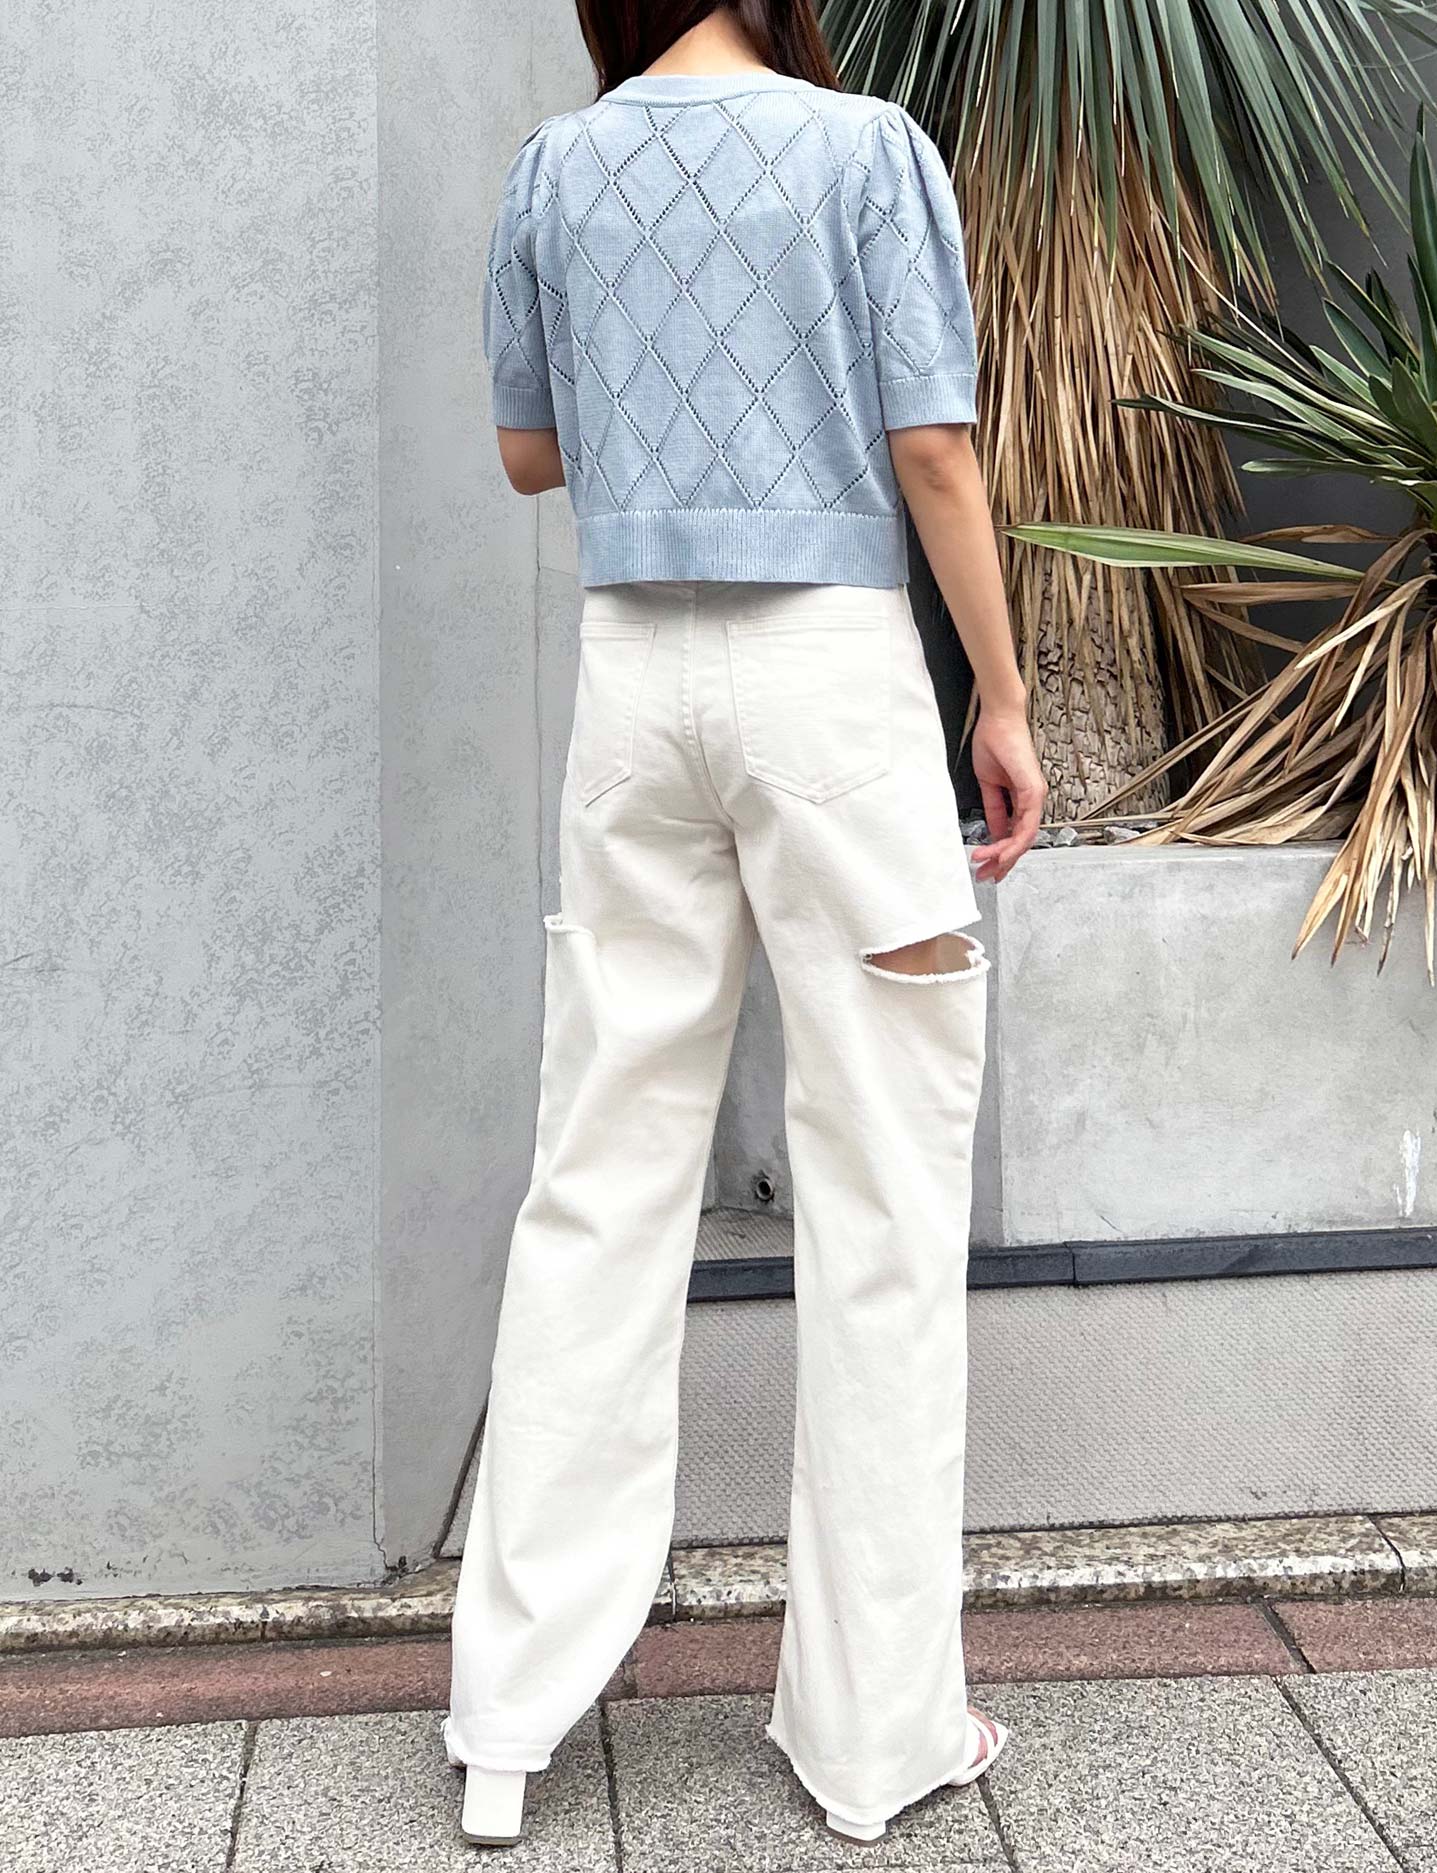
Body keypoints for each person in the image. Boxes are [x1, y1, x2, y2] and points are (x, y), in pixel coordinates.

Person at [443, 0, 1045, 1847]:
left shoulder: (556, 167)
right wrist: (1000, 693)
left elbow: (528, 452)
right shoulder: (867, 152)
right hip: (833, 686)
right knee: (882, 1196)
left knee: (598, 1175)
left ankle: (504, 1724)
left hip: (634, 683)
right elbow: (932, 450)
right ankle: (874, 1736)